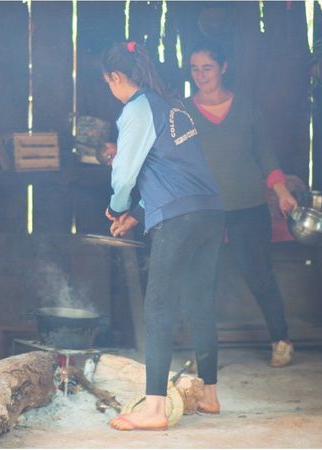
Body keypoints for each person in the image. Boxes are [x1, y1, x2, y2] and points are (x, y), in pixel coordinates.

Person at [101, 40, 225, 431]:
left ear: (116, 77)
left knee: (158, 308)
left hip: (180, 219)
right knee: (200, 302)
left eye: (109, 83)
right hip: (209, 211)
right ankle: (210, 394)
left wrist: (119, 207)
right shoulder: (174, 105)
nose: (111, 90)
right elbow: (173, 171)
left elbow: (125, 173)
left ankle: (154, 409)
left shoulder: (137, 109)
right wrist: (137, 216)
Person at [184, 40, 298, 368]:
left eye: (207, 67)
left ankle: (281, 339)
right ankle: (204, 352)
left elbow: (266, 157)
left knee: (259, 275)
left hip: (248, 207)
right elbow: (174, 160)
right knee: (202, 279)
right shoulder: (185, 112)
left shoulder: (247, 109)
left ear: (223, 68)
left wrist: (282, 192)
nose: (201, 75)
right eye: (194, 68)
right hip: (205, 210)